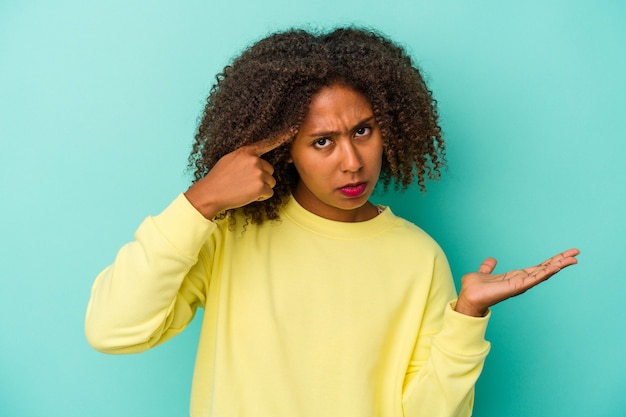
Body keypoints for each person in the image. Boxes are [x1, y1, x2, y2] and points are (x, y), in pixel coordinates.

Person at [85, 27, 579, 417]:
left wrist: (467, 315)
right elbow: (113, 330)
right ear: (285, 149)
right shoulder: (228, 232)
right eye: (322, 141)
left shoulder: (418, 256)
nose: (352, 161)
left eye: (362, 131)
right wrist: (201, 202)